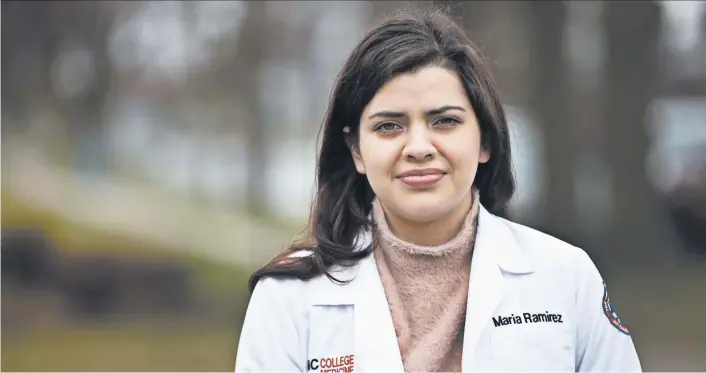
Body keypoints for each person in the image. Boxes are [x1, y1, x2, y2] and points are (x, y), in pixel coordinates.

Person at [234, 6, 641, 373]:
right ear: (356, 151)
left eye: (444, 121)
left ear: (485, 140)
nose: (418, 148)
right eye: (389, 126)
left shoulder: (566, 278)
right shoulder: (287, 299)